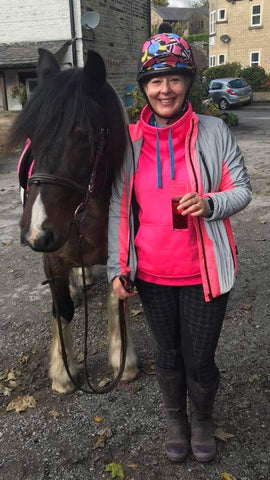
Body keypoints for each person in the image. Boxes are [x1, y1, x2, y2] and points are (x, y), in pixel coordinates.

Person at [107, 33, 252, 463]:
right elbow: (119, 208)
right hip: (151, 274)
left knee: (200, 358)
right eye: (154, 80)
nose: (164, 89)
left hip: (205, 272)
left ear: (187, 82)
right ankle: (177, 420)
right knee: (168, 356)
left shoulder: (213, 131)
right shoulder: (130, 142)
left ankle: (203, 420)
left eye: (173, 78)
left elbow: (241, 190)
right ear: (144, 88)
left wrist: (210, 203)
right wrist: (118, 266)